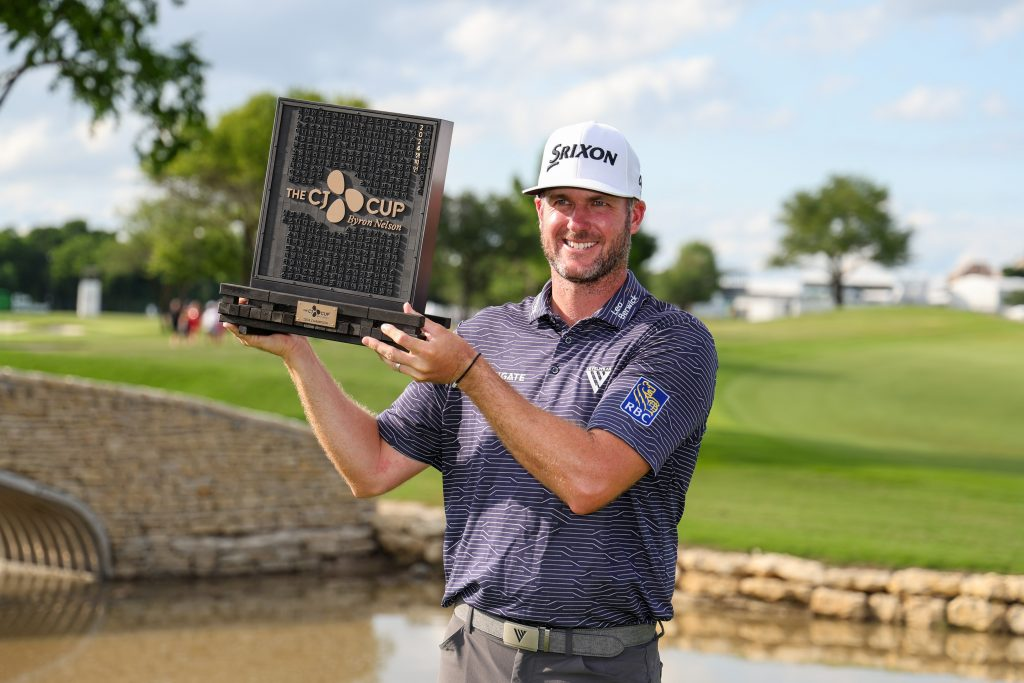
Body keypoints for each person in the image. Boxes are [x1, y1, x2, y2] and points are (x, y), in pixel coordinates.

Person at [226, 121, 717, 682]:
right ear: (539, 213)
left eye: (599, 203)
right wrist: (298, 354)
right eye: (561, 201)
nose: (577, 222)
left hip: (597, 662)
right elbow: (372, 467)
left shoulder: (671, 341)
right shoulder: (486, 334)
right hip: (474, 652)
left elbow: (590, 479)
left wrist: (469, 373)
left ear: (634, 215)